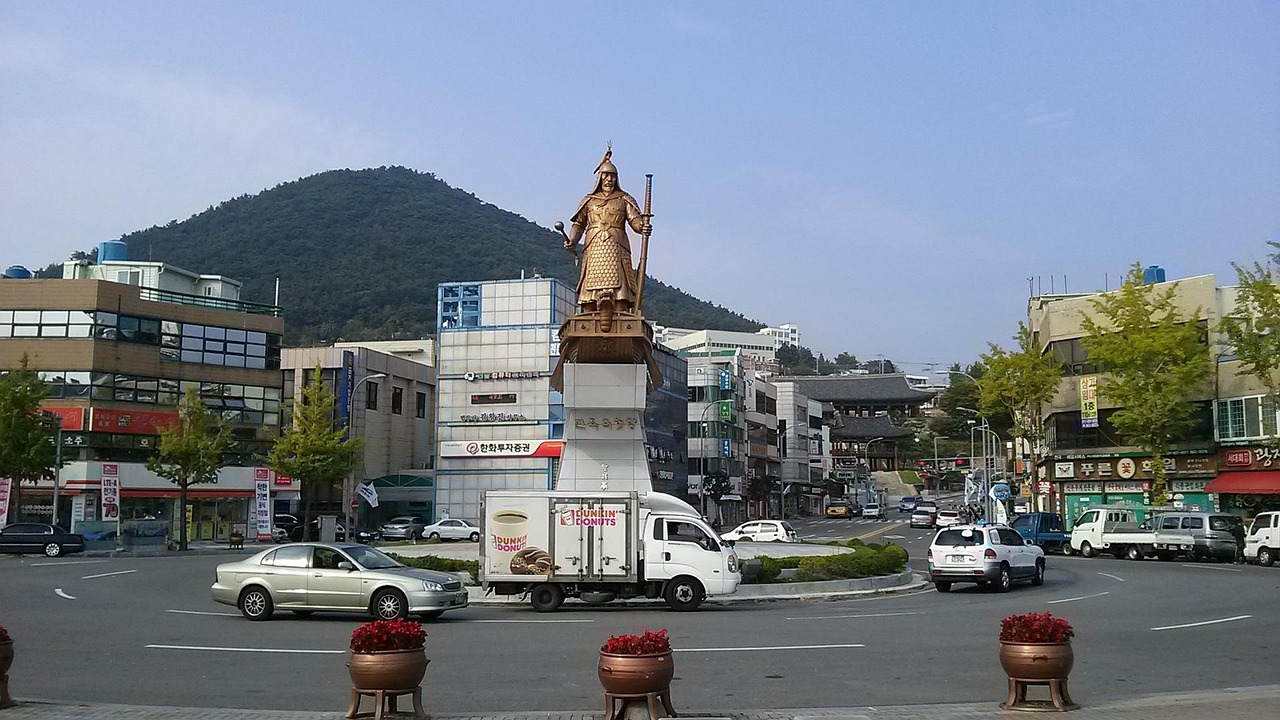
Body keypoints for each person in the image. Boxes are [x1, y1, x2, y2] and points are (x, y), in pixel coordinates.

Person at [563, 148, 651, 319]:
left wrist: (643, 226)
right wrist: (572, 240)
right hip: (594, 248)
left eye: (612, 176)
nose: (609, 179)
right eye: (606, 175)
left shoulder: (624, 199)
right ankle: (590, 313)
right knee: (590, 288)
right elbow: (578, 224)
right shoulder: (589, 201)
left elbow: (635, 221)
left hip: (616, 247)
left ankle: (619, 312)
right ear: (599, 178)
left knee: (620, 291)